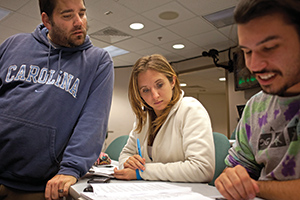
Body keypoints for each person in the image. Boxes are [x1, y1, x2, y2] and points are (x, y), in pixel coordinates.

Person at [0, 0, 114, 199]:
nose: (79, 22)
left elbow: (93, 121)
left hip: (42, 187)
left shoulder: (98, 61)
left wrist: (71, 168)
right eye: (67, 16)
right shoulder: (13, 44)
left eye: (82, 13)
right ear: (47, 20)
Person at [214, 0, 300, 199]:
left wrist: (255, 187)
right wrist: (230, 179)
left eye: (269, 48)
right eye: (247, 52)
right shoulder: (255, 106)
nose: (254, 66)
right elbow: (234, 169)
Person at [113, 54, 215, 182]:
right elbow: (125, 155)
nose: (154, 95)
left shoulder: (190, 109)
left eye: (159, 85)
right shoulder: (144, 118)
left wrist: (142, 172)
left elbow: (202, 169)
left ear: (172, 81)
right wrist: (129, 163)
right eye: (145, 90)